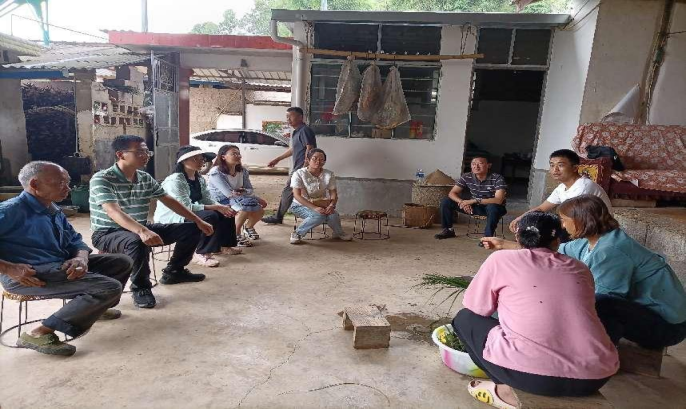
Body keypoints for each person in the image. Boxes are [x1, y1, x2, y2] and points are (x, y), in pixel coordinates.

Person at [454, 212, 618, 409]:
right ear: (557, 241)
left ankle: (504, 390)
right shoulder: (580, 268)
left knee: (464, 319)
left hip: (531, 377)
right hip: (596, 375)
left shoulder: (500, 260)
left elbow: (477, 308)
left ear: (517, 237)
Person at [483, 195, 687, 350]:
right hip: (646, 314)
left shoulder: (611, 250)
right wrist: (503, 244)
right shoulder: (590, 241)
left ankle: (596, 354)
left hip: (667, 326)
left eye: (565, 220)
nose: (562, 225)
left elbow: (600, 298)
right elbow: (551, 252)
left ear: (581, 220)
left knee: (602, 304)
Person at [0, 162, 133, 356]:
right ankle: (39, 333)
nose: (68, 188)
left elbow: (75, 240)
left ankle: (93, 308)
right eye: (60, 183)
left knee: (121, 262)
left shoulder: (52, 209)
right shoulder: (10, 211)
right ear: (35, 184)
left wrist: (81, 258)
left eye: (67, 182)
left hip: (58, 265)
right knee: (109, 287)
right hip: (30, 274)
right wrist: (9, 268)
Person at [89, 135, 214, 310]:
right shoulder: (102, 178)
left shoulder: (145, 178)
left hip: (140, 227)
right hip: (108, 233)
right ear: (120, 154)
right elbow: (112, 211)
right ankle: (141, 288)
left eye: (147, 152)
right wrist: (142, 231)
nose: (146, 156)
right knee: (137, 240)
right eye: (140, 152)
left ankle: (174, 271)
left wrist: (198, 220)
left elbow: (169, 200)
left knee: (192, 229)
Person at [154, 146, 242, 268]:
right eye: (196, 159)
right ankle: (201, 252)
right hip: (175, 215)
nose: (201, 161)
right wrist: (216, 208)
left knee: (227, 212)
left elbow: (207, 199)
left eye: (202, 158)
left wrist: (221, 207)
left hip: (190, 211)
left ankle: (224, 246)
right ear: (183, 161)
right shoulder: (175, 180)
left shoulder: (199, 178)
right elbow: (185, 207)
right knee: (210, 216)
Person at [509, 149, 612, 233]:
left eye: (561, 165)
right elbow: (541, 208)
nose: (555, 170)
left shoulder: (583, 187)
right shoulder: (562, 187)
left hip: (598, 231)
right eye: (552, 165)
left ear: (575, 168)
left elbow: (573, 219)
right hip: (579, 226)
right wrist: (521, 218)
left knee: (542, 231)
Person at [262, 107, 317, 225]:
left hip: (302, 168)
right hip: (299, 168)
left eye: (290, 116)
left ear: (300, 117)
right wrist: (277, 159)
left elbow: (310, 148)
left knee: (289, 191)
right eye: (287, 117)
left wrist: (304, 167)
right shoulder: (297, 132)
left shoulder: (305, 130)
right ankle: (280, 216)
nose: (288, 119)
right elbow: (293, 150)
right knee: (295, 192)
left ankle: (278, 217)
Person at [435, 157, 507, 240]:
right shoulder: (467, 176)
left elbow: (498, 200)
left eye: (480, 163)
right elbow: (452, 193)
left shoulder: (497, 178)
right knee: (446, 201)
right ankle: (448, 230)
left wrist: (473, 201)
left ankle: (487, 238)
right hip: (475, 207)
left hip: (495, 209)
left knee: (492, 207)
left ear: (488, 165)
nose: (476, 166)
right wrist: (463, 202)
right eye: (473, 164)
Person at [290, 149, 353, 244]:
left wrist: (331, 205)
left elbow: (333, 193)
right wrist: (314, 208)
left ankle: (338, 233)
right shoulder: (299, 174)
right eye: (314, 159)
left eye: (321, 159)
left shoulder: (329, 174)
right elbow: (297, 195)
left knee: (333, 215)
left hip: (321, 203)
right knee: (319, 216)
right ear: (308, 160)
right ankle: (297, 233)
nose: (318, 162)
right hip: (299, 205)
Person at [207, 145, 267, 242]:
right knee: (243, 208)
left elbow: (249, 189)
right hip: (220, 200)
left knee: (260, 210)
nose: (238, 156)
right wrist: (242, 192)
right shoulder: (216, 172)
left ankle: (248, 227)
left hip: (238, 198)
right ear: (223, 157)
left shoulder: (243, 171)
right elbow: (228, 193)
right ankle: (235, 234)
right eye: (234, 154)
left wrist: (253, 197)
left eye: (238, 154)